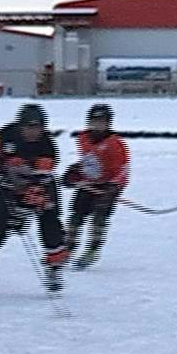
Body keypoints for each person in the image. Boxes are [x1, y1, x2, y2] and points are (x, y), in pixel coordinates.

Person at [0, 103, 67, 294]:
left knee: (51, 226)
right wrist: (0, 178)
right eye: (29, 127)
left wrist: (28, 204)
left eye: (38, 127)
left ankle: (54, 270)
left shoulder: (47, 144)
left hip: (41, 186)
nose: (34, 132)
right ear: (20, 126)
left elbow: (43, 173)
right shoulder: (3, 137)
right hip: (8, 186)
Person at [62, 103, 130, 268]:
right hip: (88, 184)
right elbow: (89, 160)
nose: (97, 125)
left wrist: (113, 188)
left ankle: (92, 250)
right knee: (76, 216)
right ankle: (68, 248)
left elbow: (123, 168)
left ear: (108, 123)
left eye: (102, 121)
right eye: (94, 121)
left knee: (99, 218)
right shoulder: (83, 138)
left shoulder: (115, 143)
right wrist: (75, 172)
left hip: (108, 187)